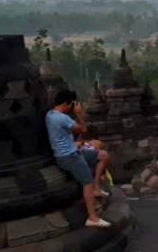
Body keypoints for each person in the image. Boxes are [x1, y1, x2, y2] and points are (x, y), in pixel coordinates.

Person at [46, 90, 111, 228]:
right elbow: (82, 129)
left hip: (73, 152)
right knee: (87, 183)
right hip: (69, 156)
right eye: (71, 104)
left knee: (103, 155)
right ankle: (92, 217)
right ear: (65, 103)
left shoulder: (50, 114)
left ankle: (97, 187)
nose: (72, 106)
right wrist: (78, 113)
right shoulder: (63, 118)